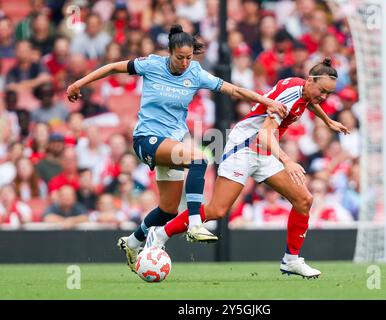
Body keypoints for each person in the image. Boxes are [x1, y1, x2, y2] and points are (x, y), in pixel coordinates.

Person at [66, 24, 287, 273]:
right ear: (170, 52)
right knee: (199, 158)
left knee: (168, 209)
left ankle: (131, 242)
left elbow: (233, 89)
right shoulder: (151, 64)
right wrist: (78, 84)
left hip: (171, 143)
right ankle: (194, 223)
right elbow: (112, 67)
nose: (184, 63)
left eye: (189, 58)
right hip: (146, 139)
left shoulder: (196, 73)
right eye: (180, 57)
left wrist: (267, 100)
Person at [146, 58, 350, 278]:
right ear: (310, 80)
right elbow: (264, 134)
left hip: (264, 150)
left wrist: (328, 121)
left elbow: (309, 102)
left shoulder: (302, 88)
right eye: (322, 91)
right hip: (244, 148)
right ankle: (159, 234)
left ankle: (291, 260)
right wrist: (287, 161)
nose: (324, 97)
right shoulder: (289, 97)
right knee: (217, 210)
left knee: (303, 200)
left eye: (328, 93)